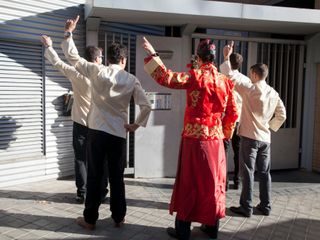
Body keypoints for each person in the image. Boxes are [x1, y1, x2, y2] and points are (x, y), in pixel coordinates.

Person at [142, 37, 238, 240]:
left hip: (194, 140)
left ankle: (183, 230)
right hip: (216, 141)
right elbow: (232, 113)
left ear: (199, 57)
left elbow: (166, 78)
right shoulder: (225, 82)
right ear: (212, 57)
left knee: (189, 183)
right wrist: (225, 135)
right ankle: (212, 227)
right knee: (213, 184)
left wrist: (153, 54)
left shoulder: (195, 76)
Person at [61, 16, 151, 230]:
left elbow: (73, 58)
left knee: (94, 176)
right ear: (124, 60)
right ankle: (119, 217)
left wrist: (68, 33)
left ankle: (90, 220)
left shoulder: (97, 70)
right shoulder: (131, 79)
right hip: (119, 134)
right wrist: (135, 125)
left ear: (108, 57)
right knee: (117, 178)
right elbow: (146, 106)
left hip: (96, 132)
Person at [40, 35, 109, 204]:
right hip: (99, 125)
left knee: (80, 158)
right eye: (101, 57)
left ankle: (82, 193)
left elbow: (58, 63)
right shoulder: (105, 74)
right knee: (100, 158)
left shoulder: (77, 74)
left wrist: (49, 46)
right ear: (97, 59)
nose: (102, 60)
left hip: (80, 124)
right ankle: (101, 191)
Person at [221, 43, 287, 218]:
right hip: (266, 138)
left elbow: (228, 75)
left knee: (248, 172)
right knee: (265, 173)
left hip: (250, 137)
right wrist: (270, 127)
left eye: (251, 73)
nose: (249, 76)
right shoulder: (274, 93)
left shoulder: (249, 89)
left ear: (256, 74)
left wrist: (227, 56)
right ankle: (265, 206)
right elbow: (282, 114)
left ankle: (246, 207)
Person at [220, 45, 251, 190]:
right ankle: (237, 181)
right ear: (241, 64)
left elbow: (225, 70)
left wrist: (226, 56)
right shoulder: (246, 80)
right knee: (238, 151)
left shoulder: (223, 76)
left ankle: (224, 182)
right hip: (239, 118)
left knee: (224, 150)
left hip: (225, 118)